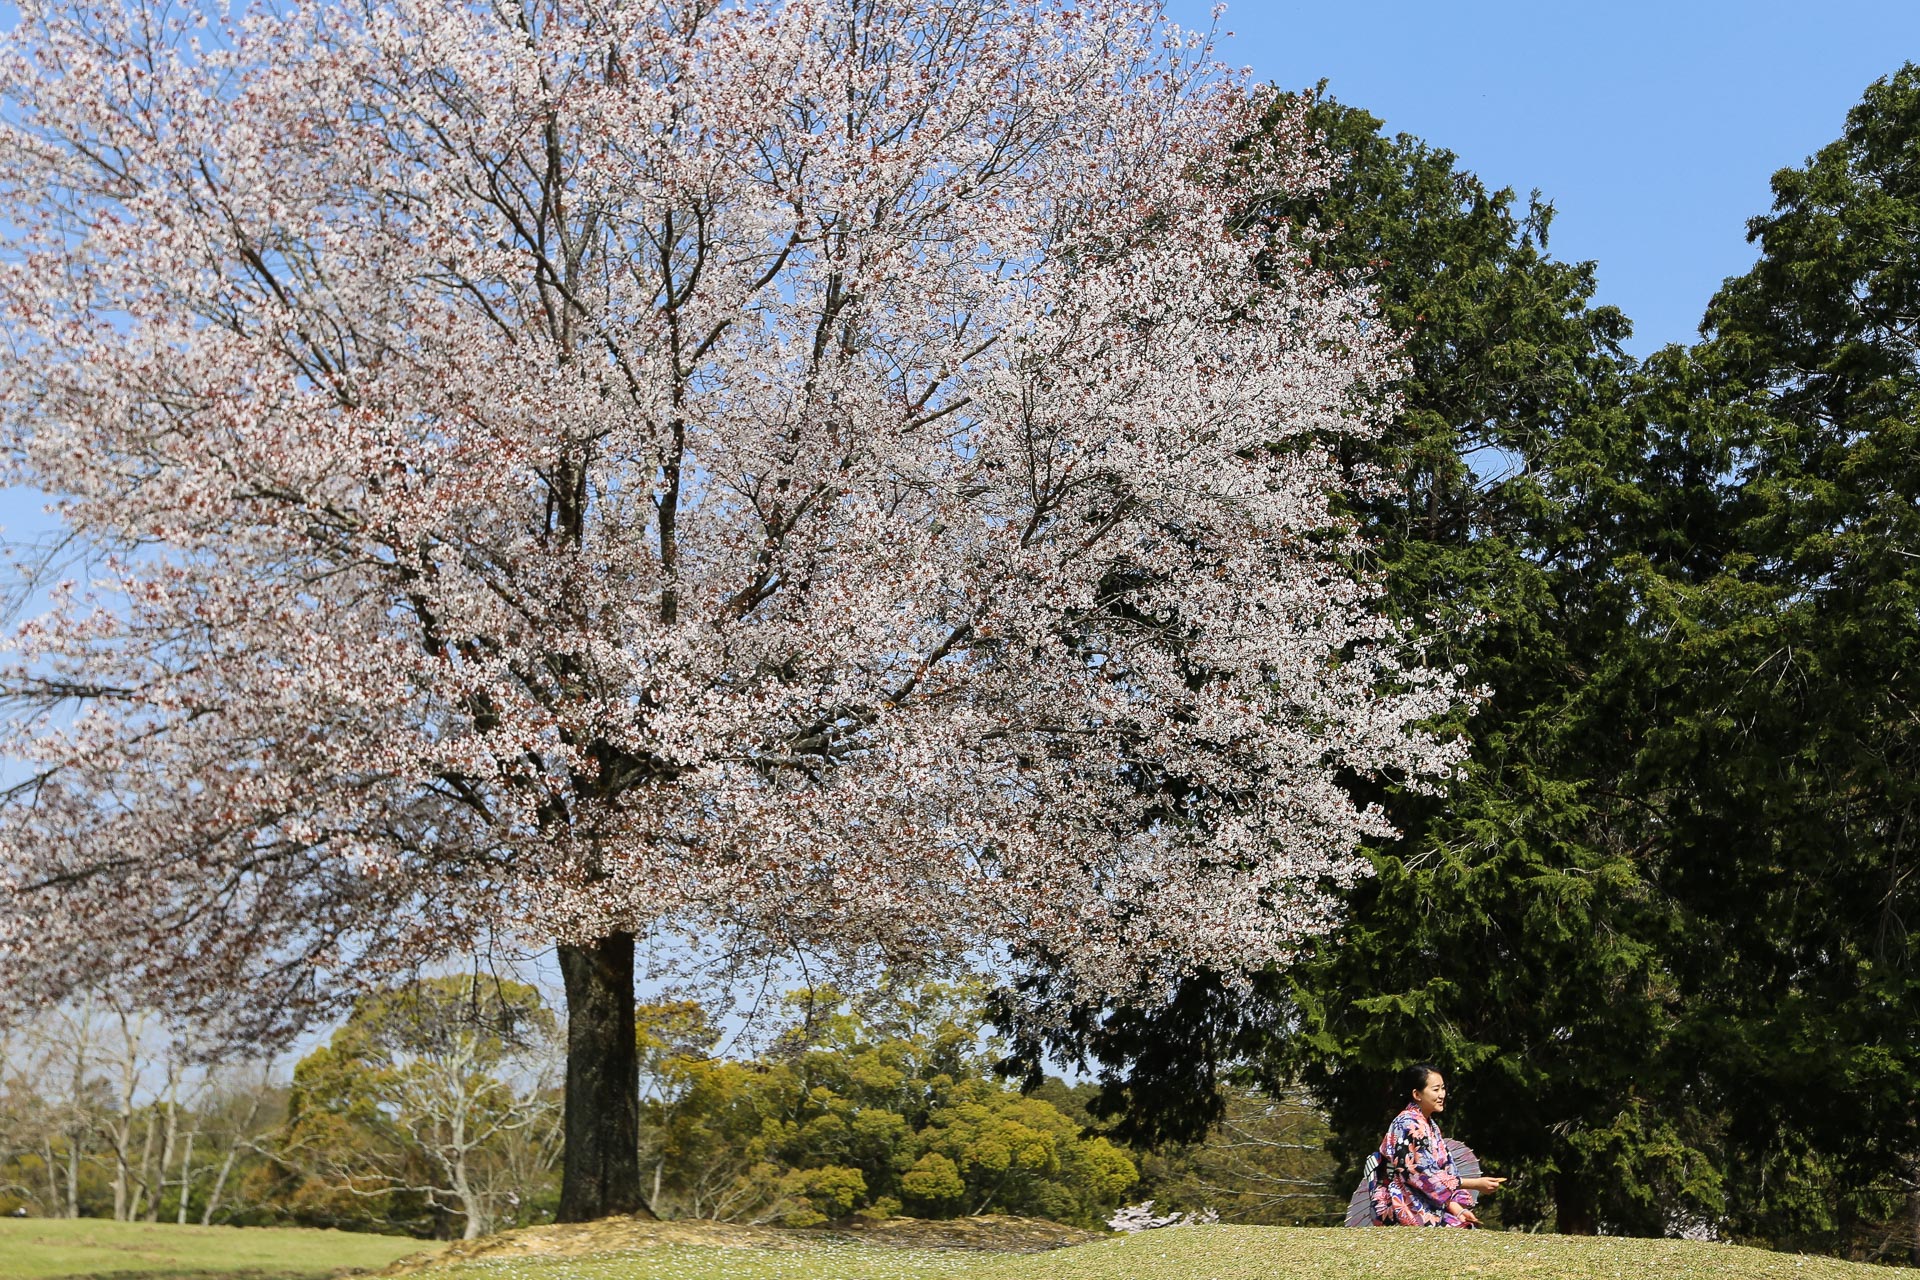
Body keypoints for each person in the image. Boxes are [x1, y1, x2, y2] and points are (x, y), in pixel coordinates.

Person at [1368, 1063, 1505, 1227]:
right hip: (1402, 1204)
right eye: (1435, 1089)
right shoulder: (1407, 1124)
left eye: (1443, 1088)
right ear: (1417, 1094)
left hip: (1425, 1202)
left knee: (1466, 1228)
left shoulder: (1430, 1126)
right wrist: (1475, 1183)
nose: (1442, 1095)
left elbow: (1444, 1170)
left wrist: (1458, 1210)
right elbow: (1423, 1174)